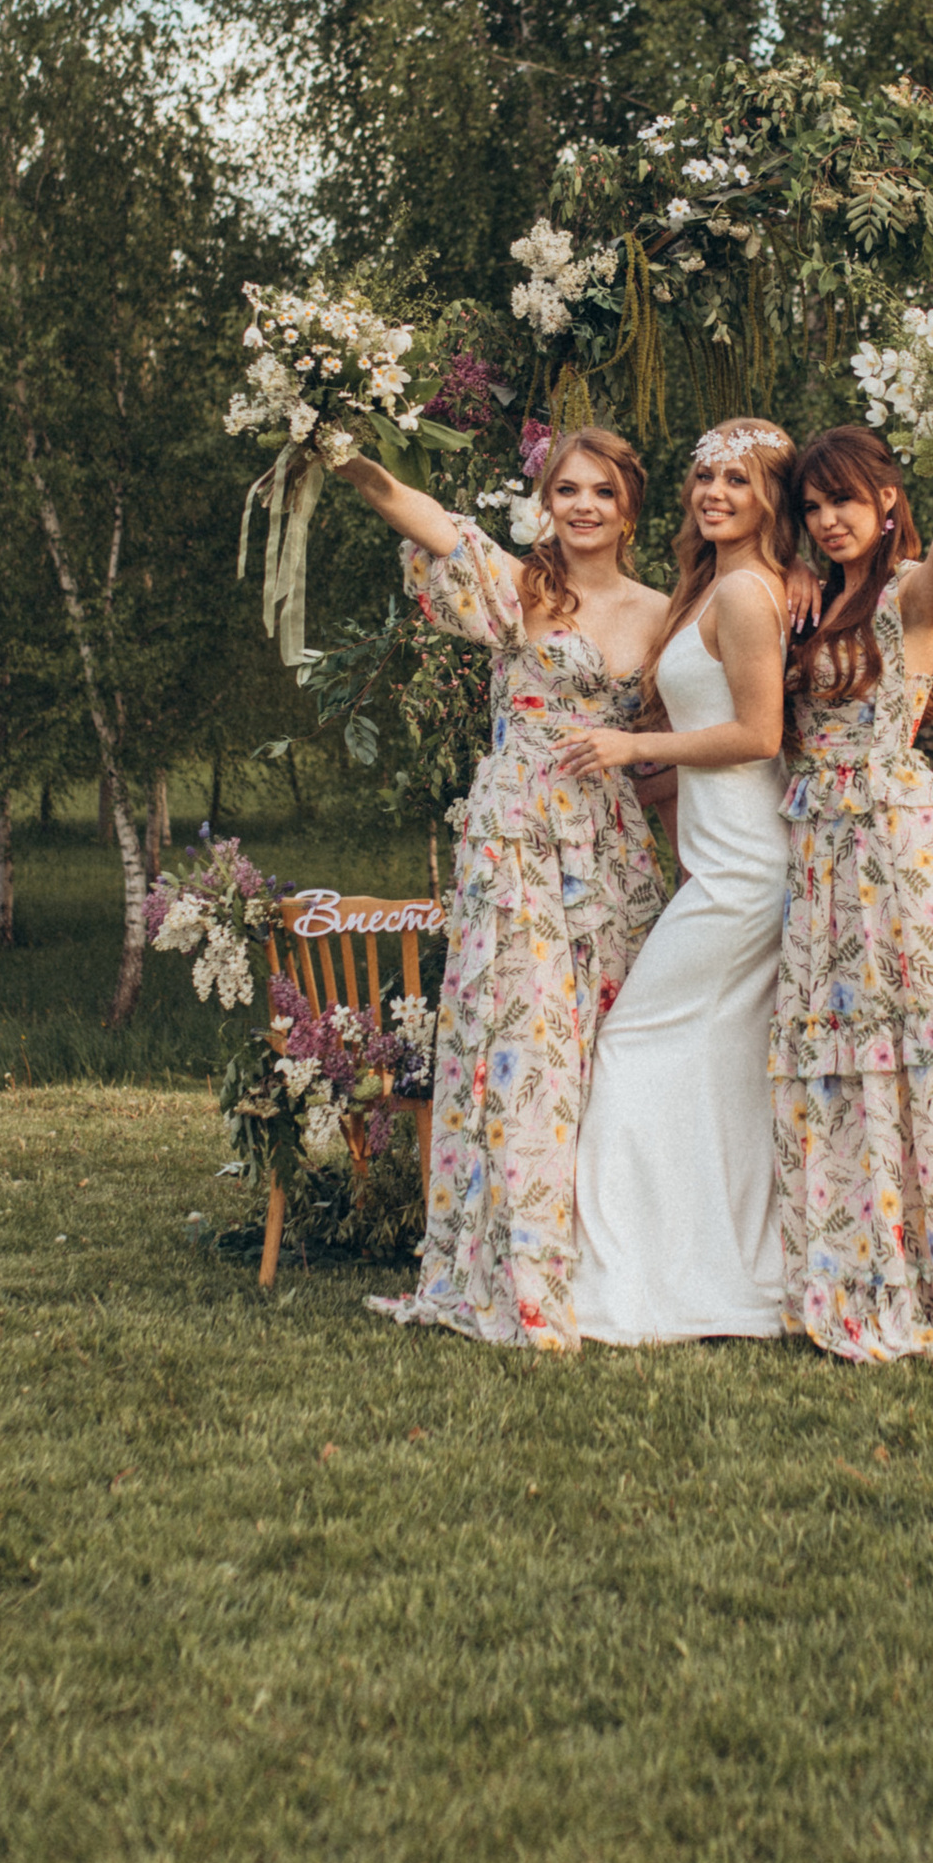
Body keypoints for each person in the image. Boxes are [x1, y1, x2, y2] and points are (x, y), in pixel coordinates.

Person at [335, 428, 669, 1348]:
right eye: (567, 489)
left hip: (612, 847)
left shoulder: (665, 611)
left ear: (628, 504)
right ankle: (518, 1270)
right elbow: (435, 524)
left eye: (603, 489)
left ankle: (610, 1266)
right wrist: (351, 462)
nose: (585, 506)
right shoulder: (522, 588)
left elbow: (681, 743)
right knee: (526, 1043)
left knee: (611, 1040)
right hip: (518, 838)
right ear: (547, 502)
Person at [771, 423, 933, 1362]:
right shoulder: (813, 601)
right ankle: (853, 1259)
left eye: (846, 500)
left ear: (887, 501)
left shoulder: (911, 592)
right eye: (812, 506)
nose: (829, 520)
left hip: (894, 840)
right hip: (821, 851)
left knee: (910, 1040)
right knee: (838, 1050)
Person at [554, 417, 799, 1345]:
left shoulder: (744, 593)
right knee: (718, 1071)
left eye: (737, 481)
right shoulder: (713, 586)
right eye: (704, 479)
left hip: (745, 870)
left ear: (769, 495)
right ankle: (716, 1267)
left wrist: (634, 744)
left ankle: (635, 1271)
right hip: (719, 858)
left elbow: (759, 734)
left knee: (630, 1046)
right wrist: (656, 787)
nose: (714, 495)